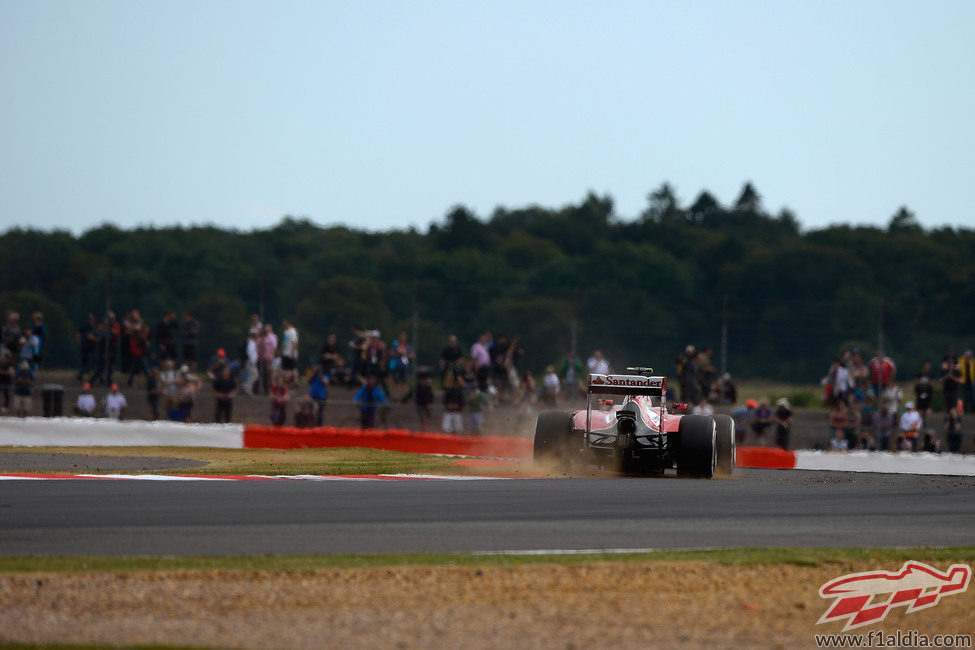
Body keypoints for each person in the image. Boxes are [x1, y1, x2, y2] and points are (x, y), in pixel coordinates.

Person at [280, 319, 299, 385]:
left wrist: (293, 353)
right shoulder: (286, 331)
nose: (283, 325)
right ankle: (285, 381)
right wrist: (282, 351)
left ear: (288, 323)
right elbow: (284, 342)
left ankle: (296, 381)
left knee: (293, 368)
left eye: (284, 323)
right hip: (285, 352)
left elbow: (295, 342)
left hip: (290, 353)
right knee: (285, 368)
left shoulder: (292, 331)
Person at [0, 349, 13, 414]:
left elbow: (10, 372)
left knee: (6, 394)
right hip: (1, 381)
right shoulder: (1, 363)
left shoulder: (9, 364)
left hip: (6, 382)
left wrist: (3, 372)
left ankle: (6, 407)